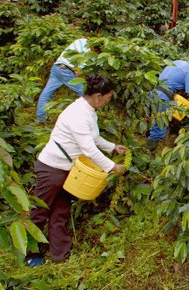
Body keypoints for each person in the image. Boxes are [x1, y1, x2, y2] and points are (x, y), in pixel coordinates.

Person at [27, 74, 125, 267]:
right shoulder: (78, 114)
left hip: (68, 170)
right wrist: (112, 167)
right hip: (51, 169)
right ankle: (30, 252)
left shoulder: (88, 110)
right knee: (40, 211)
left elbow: (94, 138)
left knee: (60, 211)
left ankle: (59, 254)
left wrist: (113, 146)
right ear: (98, 96)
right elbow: (89, 149)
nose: (108, 101)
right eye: (108, 97)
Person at [147, 54, 189, 149]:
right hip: (163, 98)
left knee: (154, 124)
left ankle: (147, 148)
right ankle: (147, 157)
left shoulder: (177, 62)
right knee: (158, 131)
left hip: (153, 94)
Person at [36, 38, 98, 123]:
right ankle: (88, 119)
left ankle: (41, 119)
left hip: (57, 67)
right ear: (94, 48)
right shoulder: (87, 51)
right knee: (85, 94)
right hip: (66, 71)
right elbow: (80, 70)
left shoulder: (81, 41)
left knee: (46, 94)